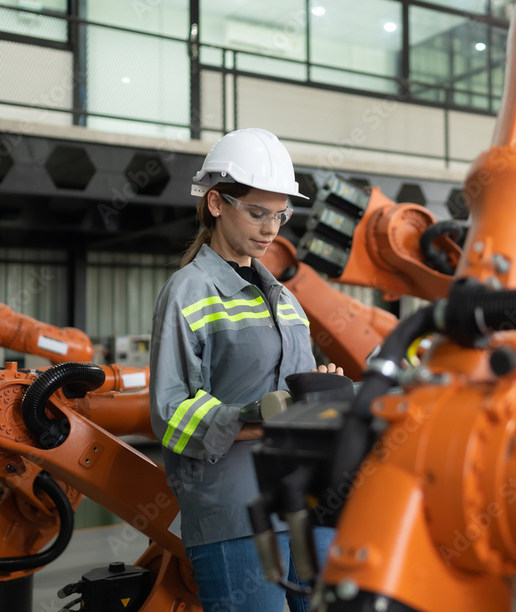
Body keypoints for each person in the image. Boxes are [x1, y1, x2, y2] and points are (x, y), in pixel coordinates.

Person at [149, 128, 338, 611]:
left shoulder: (286, 298)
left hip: (305, 499)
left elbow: (294, 386)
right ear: (216, 202)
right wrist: (250, 413)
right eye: (257, 213)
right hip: (234, 510)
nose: (271, 228)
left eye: (280, 215)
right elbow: (171, 412)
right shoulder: (189, 292)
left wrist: (325, 391)